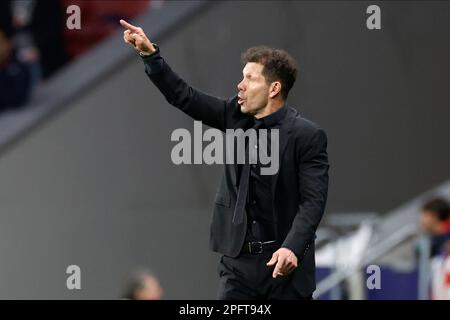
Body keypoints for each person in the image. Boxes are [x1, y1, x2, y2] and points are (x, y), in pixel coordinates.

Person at [120, 19, 329, 300]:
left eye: (250, 78)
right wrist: (150, 55)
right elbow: (183, 96)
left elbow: (312, 202)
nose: (240, 85)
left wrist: (292, 247)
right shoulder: (235, 115)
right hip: (238, 267)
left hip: (284, 271)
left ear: (274, 88)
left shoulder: (307, 135)